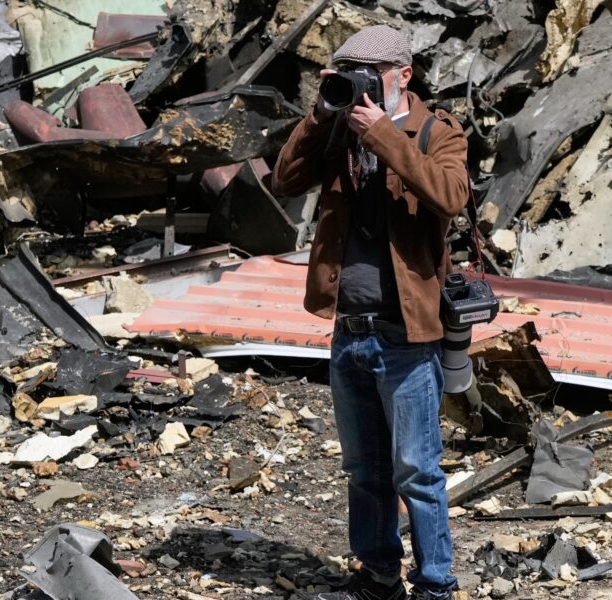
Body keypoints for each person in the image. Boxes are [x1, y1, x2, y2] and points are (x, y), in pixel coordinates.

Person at [265, 24, 471, 600]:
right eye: (347, 72)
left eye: (370, 73)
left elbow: (451, 196)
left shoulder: (436, 130)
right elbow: (283, 180)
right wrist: (320, 116)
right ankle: (379, 576)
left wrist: (382, 133)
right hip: (349, 330)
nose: (359, 83)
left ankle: (435, 586)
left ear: (403, 74)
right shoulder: (336, 127)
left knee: (417, 472)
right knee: (364, 469)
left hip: (407, 333)